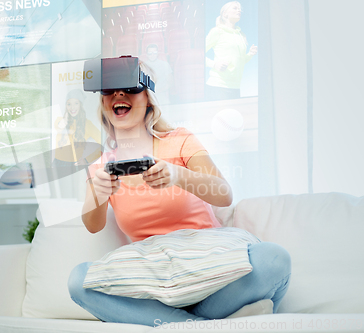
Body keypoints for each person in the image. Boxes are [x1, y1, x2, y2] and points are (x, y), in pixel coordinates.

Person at [68, 60, 290, 327]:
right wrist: (98, 194)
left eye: (129, 87)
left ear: (148, 99)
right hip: (152, 279)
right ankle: (198, 325)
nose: (118, 95)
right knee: (79, 280)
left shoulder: (180, 140)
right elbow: (93, 225)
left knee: (275, 259)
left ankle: (177, 325)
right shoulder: (101, 165)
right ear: (103, 103)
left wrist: (178, 175)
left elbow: (224, 194)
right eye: (109, 90)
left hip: (209, 268)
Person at [205, 1, 258, 101]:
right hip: (217, 87)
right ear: (225, 13)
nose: (239, 10)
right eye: (235, 8)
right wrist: (214, 64)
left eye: (240, 9)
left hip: (235, 87)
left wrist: (250, 54)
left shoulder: (240, 35)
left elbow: (240, 60)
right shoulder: (217, 31)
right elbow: (198, 54)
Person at [53, 89, 101, 171]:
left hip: (74, 166)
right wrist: (64, 121)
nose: (72, 107)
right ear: (66, 106)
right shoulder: (59, 120)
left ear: (80, 105)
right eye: (69, 104)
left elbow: (102, 143)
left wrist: (87, 160)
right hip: (57, 164)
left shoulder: (87, 124)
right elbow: (58, 126)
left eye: (76, 103)